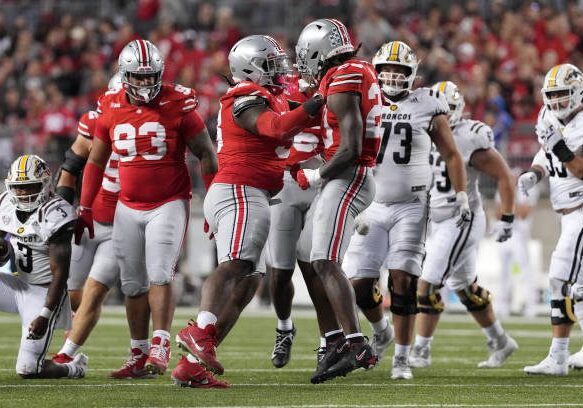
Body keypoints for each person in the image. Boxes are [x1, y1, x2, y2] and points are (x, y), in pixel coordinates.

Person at [172, 35, 324, 388]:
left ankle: (194, 364)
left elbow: (282, 134)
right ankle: (201, 330)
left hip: (248, 191)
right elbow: (276, 128)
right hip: (240, 190)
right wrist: (317, 101)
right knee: (236, 266)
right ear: (250, 67)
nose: (280, 70)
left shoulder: (267, 96)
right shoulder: (245, 96)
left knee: (250, 279)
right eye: (271, 63)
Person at [75, 39, 218, 377]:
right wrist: (84, 206)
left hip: (168, 202)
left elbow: (206, 154)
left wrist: (212, 203)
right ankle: (138, 353)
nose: (144, 84)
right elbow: (95, 160)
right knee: (133, 284)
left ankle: (160, 345)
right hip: (127, 205)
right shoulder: (109, 104)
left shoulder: (178, 101)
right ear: (124, 76)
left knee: (159, 272)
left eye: (150, 76)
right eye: (137, 78)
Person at [342, 42, 469, 380]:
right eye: (386, 71)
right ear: (377, 71)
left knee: (403, 278)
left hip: (411, 205)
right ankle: (381, 329)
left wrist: (462, 194)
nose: (392, 77)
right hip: (371, 203)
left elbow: (452, 154)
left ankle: (401, 357)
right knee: (357, 285)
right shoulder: (363, 98)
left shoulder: (427, 102)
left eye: (399, 71)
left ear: (411, 74)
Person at [292, 18, 382, 383]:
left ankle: (356, 344)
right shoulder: (351, 71)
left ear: (319, 51)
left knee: (325, 260)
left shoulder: (345, 76)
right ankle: (334, 340)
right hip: (348, 174)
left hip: (350, 175)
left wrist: (317, 174)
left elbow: (352, 148)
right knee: (309, 254)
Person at [409, 80, 518, 370]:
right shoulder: (418, 132)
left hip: (461, 218)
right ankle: (500, 341)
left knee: (428, 282)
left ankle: (420, 350)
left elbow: (505, 175)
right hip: (436, 219)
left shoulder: (469, 136)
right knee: (465, 288)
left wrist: (507, 216)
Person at [52, 74, 154, 379]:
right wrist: (60, 211)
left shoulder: (150, 124)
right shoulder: (94, 122)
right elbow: (71, 167)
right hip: (89, 219)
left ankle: (66, 354)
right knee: (72, 293)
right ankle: (75, 337)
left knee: (96, 290)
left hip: (121, 222)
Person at [266, 78, 338, 369]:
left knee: (315, 265)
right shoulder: (280, 93)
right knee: (280, 271)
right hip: (285, 182)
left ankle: (328, 342)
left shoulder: (336, 90)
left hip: (322, 182)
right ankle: (284, 328)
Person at [520, 63, 583, 375]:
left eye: (563, 94)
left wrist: (561, 149)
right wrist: (535, 173)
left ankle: (558, 357)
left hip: (582, 210)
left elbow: (578, 167)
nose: (557, 102)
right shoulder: (547, 116)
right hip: (566, 211)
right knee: (580, 287)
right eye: (552, 95)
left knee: (560, 278)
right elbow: (545, 153)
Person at [0, 154, 87, 378]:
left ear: (45, 184)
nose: (22, 194)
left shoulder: (57, 214)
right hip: (14, 284)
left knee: (28, 369)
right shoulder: (4, 204)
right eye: (18, 188)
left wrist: (45, 315)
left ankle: (73, 368)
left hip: (43, 292)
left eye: (29, 187)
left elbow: (60, 274)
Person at [495, 168, 540, 318]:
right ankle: (503, 305)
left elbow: (523, 213)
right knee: (504, 273)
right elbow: (497, 213)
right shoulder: (503, 187)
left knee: (525, 272)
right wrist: (509, 205)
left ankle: (531, 306)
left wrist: (509, 201)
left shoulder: (529, 190)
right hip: (505, 235)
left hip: (520, 235)